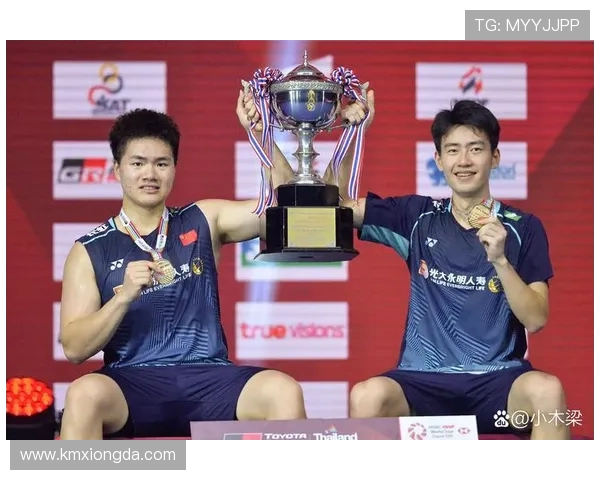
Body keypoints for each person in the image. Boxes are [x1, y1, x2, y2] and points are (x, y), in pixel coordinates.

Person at [58, 92, 306, 440]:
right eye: (138, 163)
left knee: (283, 391)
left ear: (174, 168)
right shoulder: (90, 249)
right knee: (84, 396)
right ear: (117, 169)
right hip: (132, 381)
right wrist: (122, 298)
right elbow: (74, 348)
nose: (150, 174)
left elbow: (289, 206)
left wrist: (259, 133)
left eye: (162, 163)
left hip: (208, 377)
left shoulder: (203, 218)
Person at [335, 98, 570, 440]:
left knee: (547, 391)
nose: (464, 161)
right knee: (367, 396)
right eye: (453, 150)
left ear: (495, 157)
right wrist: (351, 134)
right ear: (439, 160)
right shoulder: (416, 217)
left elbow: (536, 319)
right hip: (423, 381)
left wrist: (500, 261)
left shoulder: (524, 227)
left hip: (497, 381)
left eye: (476, 149)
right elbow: (337, 207)